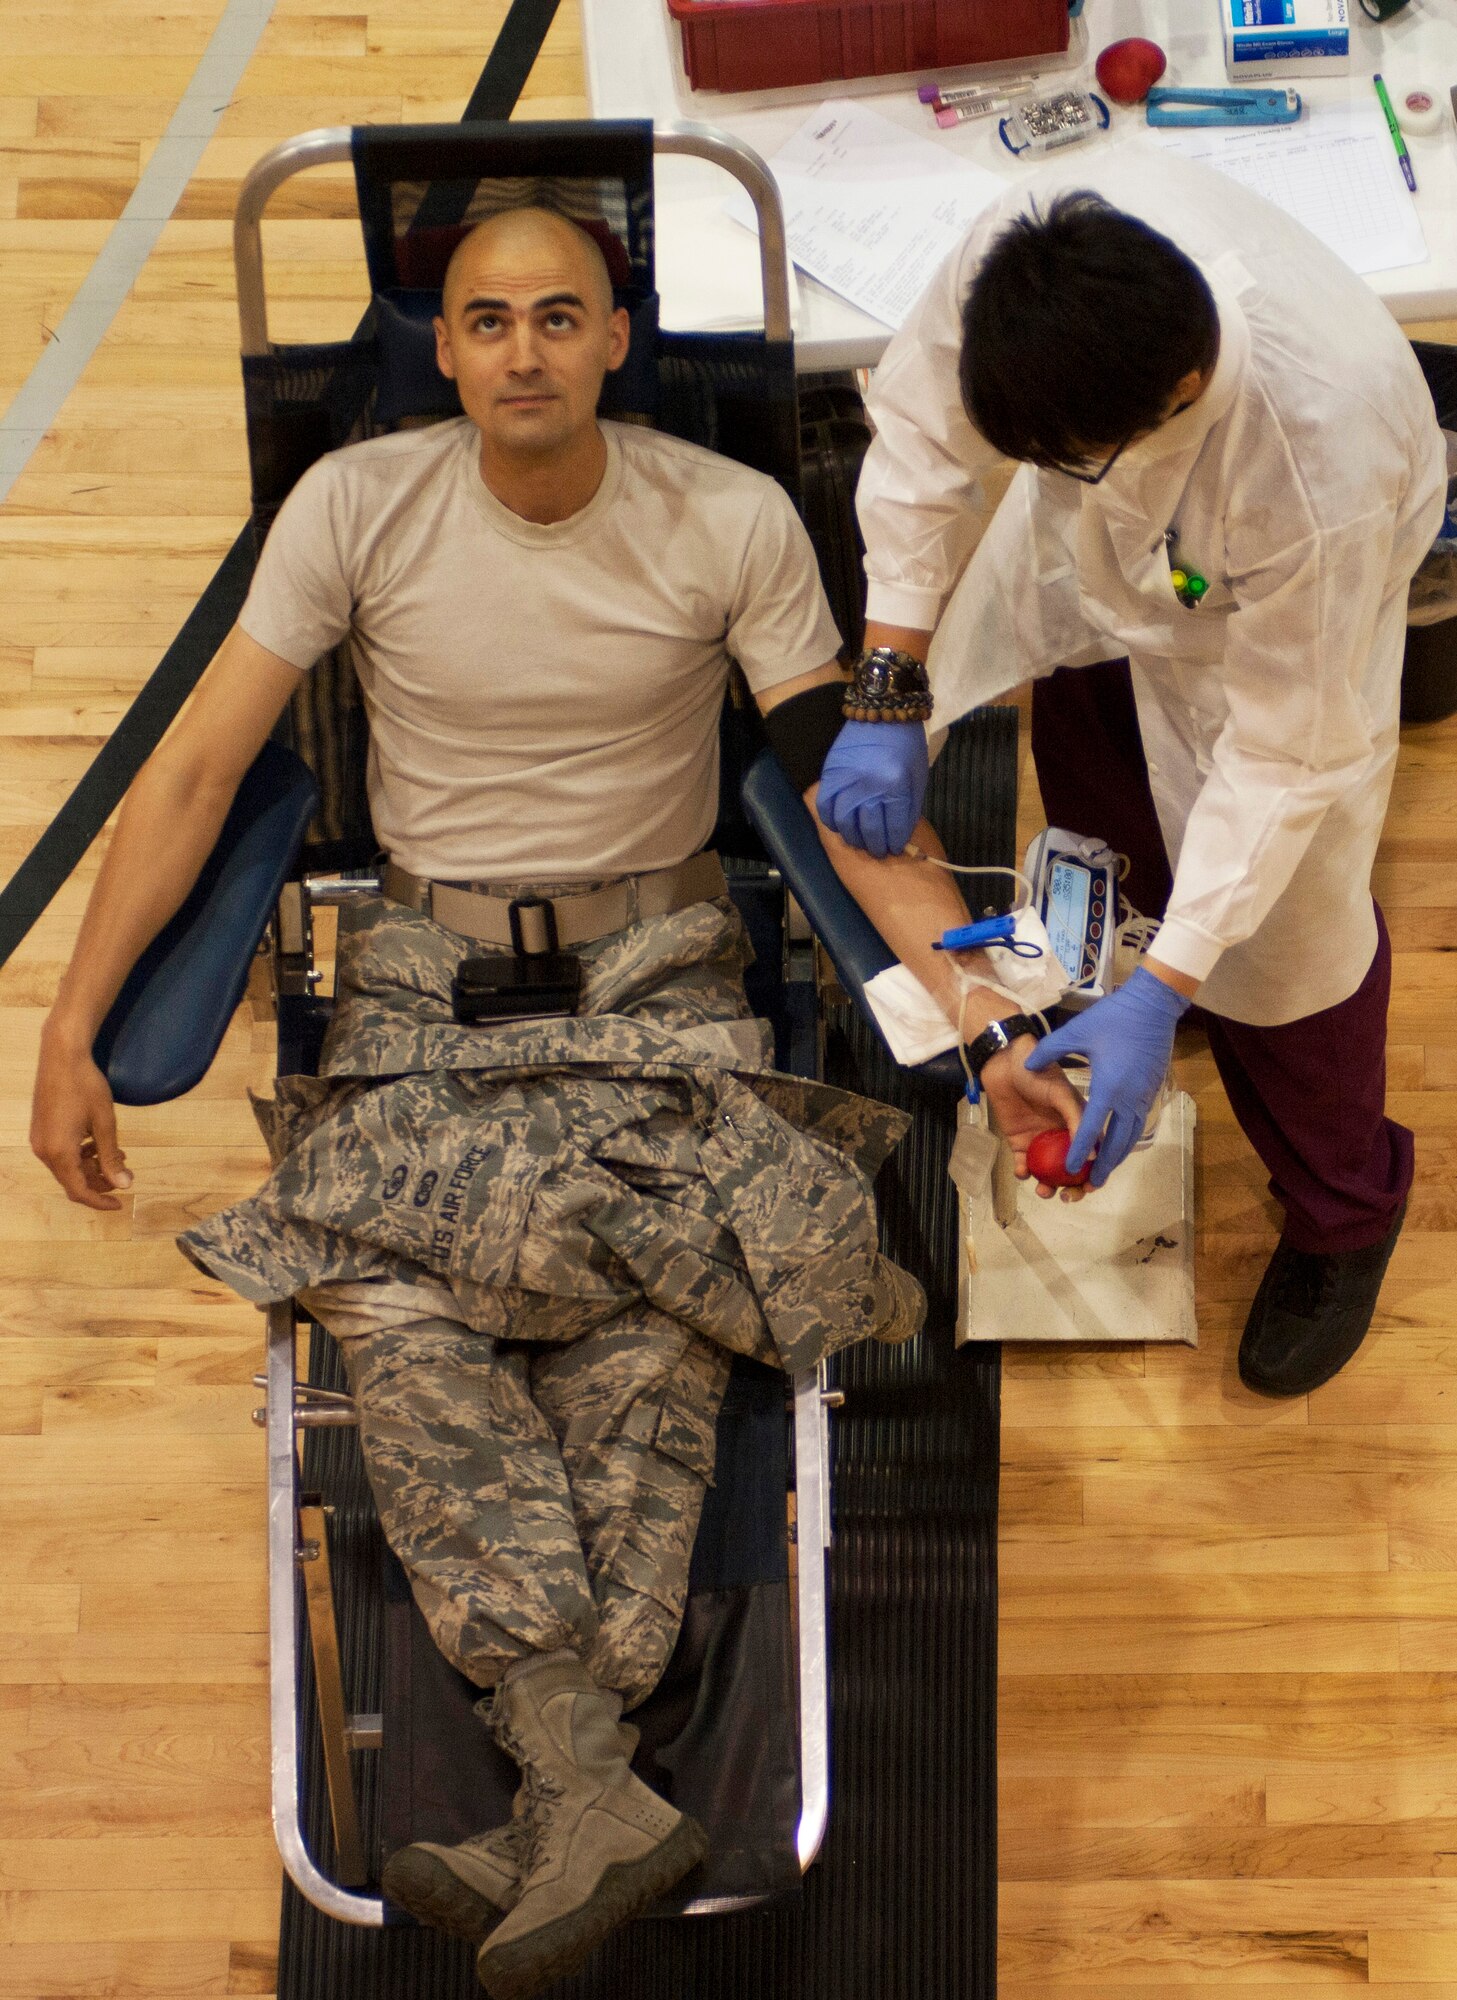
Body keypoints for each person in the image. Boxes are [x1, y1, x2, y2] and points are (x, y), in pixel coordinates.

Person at [29, 205, 1079, 1999]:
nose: (520, 350)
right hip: (428, 997)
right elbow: (199, 767)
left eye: (559, 318)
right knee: (404, 1307)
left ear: (616, 341)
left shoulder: (728, 520)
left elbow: (848, 802)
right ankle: (585, 1773)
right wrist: (68, 1024)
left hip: (657, 986)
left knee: (639, 1303)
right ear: (439, 347)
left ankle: (563, 1776)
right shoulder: (356, 508)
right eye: (484, 320)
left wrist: (991, 1021)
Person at [816, 148, 1447, 1400]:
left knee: (1287, 948)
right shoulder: (1032, 252)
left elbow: (1281, 754)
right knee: (1106, 788)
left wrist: (1165, 983)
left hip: (1280, 618)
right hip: (1121, 548)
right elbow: (917, 439)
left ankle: (1342, 1207)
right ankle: (1163, 980)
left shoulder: (1314, 459)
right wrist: (887, 683)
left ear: (1180, 386)